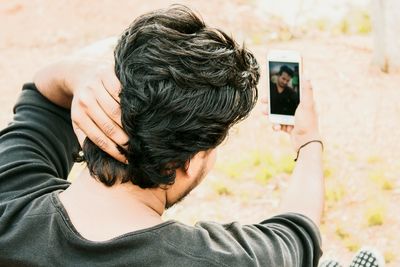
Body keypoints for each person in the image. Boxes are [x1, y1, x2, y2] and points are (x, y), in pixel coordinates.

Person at [0, 6, 324, 267]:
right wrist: (308, 141)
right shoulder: (226, 260)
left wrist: (81, 72)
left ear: (92, 104)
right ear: (192, 161)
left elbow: (42, 98)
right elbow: (298, 232)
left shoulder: (10, 202)